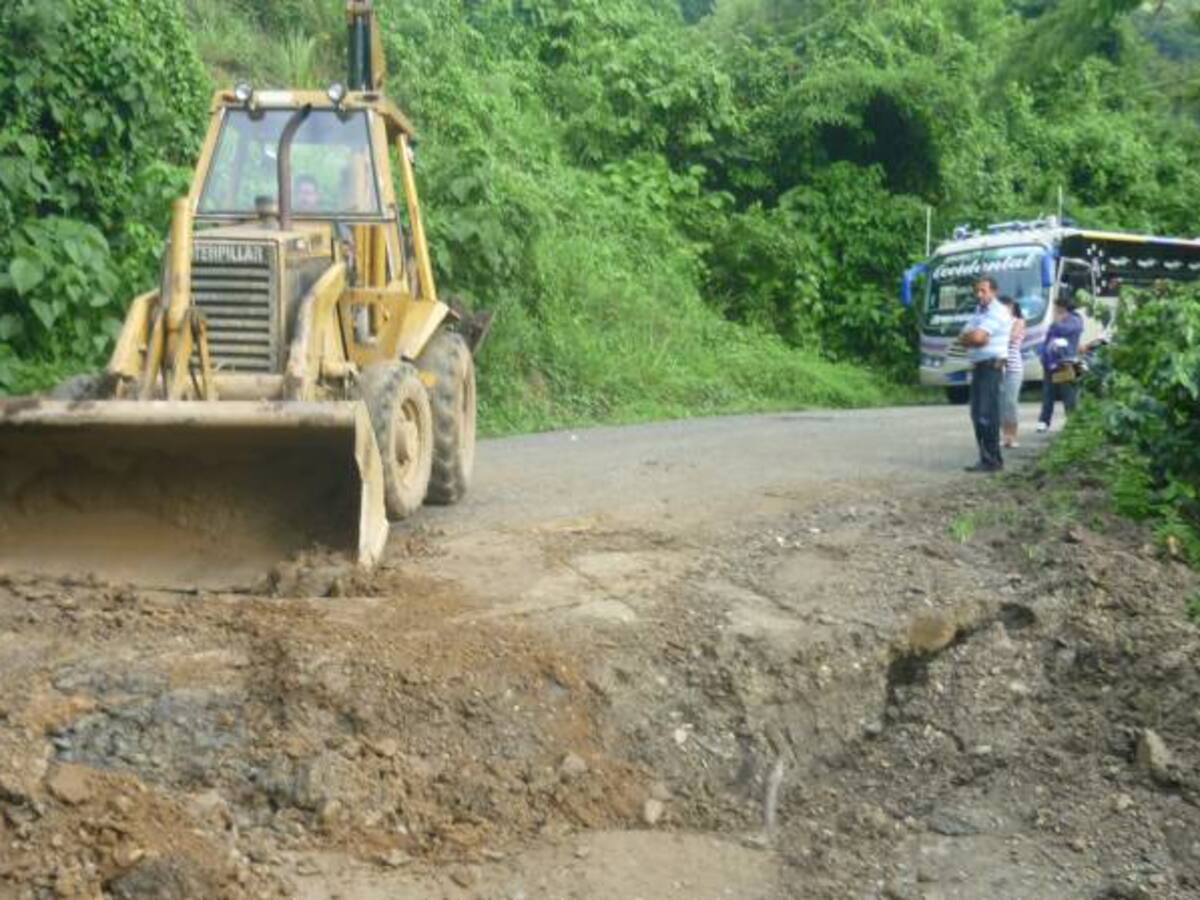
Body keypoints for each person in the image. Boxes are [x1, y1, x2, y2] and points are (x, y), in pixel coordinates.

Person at [957, 276, 1013, 472]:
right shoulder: (980, 312)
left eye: (983, 291)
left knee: (987, 414)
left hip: (992, 367)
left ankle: (993, 460)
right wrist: (970, 337)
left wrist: (970, 337)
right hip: (980, 366)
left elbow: (978, 338)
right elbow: (963, 336)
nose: (979, 295)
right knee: (977, 414)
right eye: (977, 291)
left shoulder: (997, 312)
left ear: (994, 292)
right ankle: (986, 458)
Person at [1037, 297, 1084, 432]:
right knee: (1048, 394)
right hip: (1051, 362)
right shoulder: (1058, 320)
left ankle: (1073, 422)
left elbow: (1063, 330)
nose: (1054, 309)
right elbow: (1048, 338)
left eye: (1056, 306)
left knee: (1068, 394)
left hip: (1066, 363)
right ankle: (1044, 421)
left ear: (1062, 307)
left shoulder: (1075, 320)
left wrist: (1057, 322)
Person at [998, 295, 1025, 449]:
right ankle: (1005, 436)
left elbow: (1011, 337)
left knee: (1011, 402)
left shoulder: (1018, 321)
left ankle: (1013, 435)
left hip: (1014, 368)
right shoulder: (999, 323)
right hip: (1000, 367)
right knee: (1001, 403)